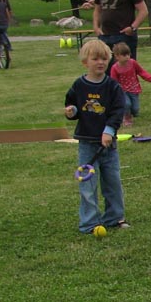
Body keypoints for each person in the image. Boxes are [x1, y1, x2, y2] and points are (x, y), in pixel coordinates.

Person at [64, 39, 128, 233]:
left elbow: (118, 111)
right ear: (85, 62)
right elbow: (72, 104)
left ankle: (115, 218)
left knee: (112, 183)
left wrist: (109, 131)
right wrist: (72, 111)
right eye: (95, 59)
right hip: (87, 144)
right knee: (88, 186)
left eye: (104, 59)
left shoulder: (112, 87)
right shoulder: (79, 85)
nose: (100, 62)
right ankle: (90, 223)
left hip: (108, 146)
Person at [93, 0, 147, 66]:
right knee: (106, 70)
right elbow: (97, 10)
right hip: (105, 35)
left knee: (125, 69)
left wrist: (133, 27)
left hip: (123, 35)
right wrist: (96, 27)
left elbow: (143, 10)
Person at [108, 42, 151, 127]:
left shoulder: (133, 63)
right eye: (124, 55)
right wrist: (116, 88)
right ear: (117, 56)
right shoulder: (114, 68)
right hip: (122, 91)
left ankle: (130, 113)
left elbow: (142, 72)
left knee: (135, 109)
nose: (127, 57)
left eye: (128, 54)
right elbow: (114, 81)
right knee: (127, 104)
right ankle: (126, 117)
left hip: (134, 89)